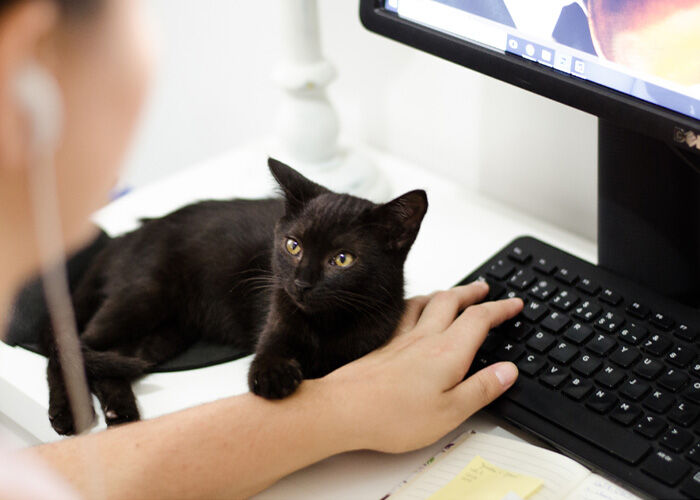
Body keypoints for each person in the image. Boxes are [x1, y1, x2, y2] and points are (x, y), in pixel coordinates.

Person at [0, 0, 522, 498]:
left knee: (152, 343)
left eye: (339, 260)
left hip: (199, 312)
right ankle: (71, 360)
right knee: (128, 315)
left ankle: (103, 373)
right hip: (179, 253)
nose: (301, 278)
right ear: (31, 62)